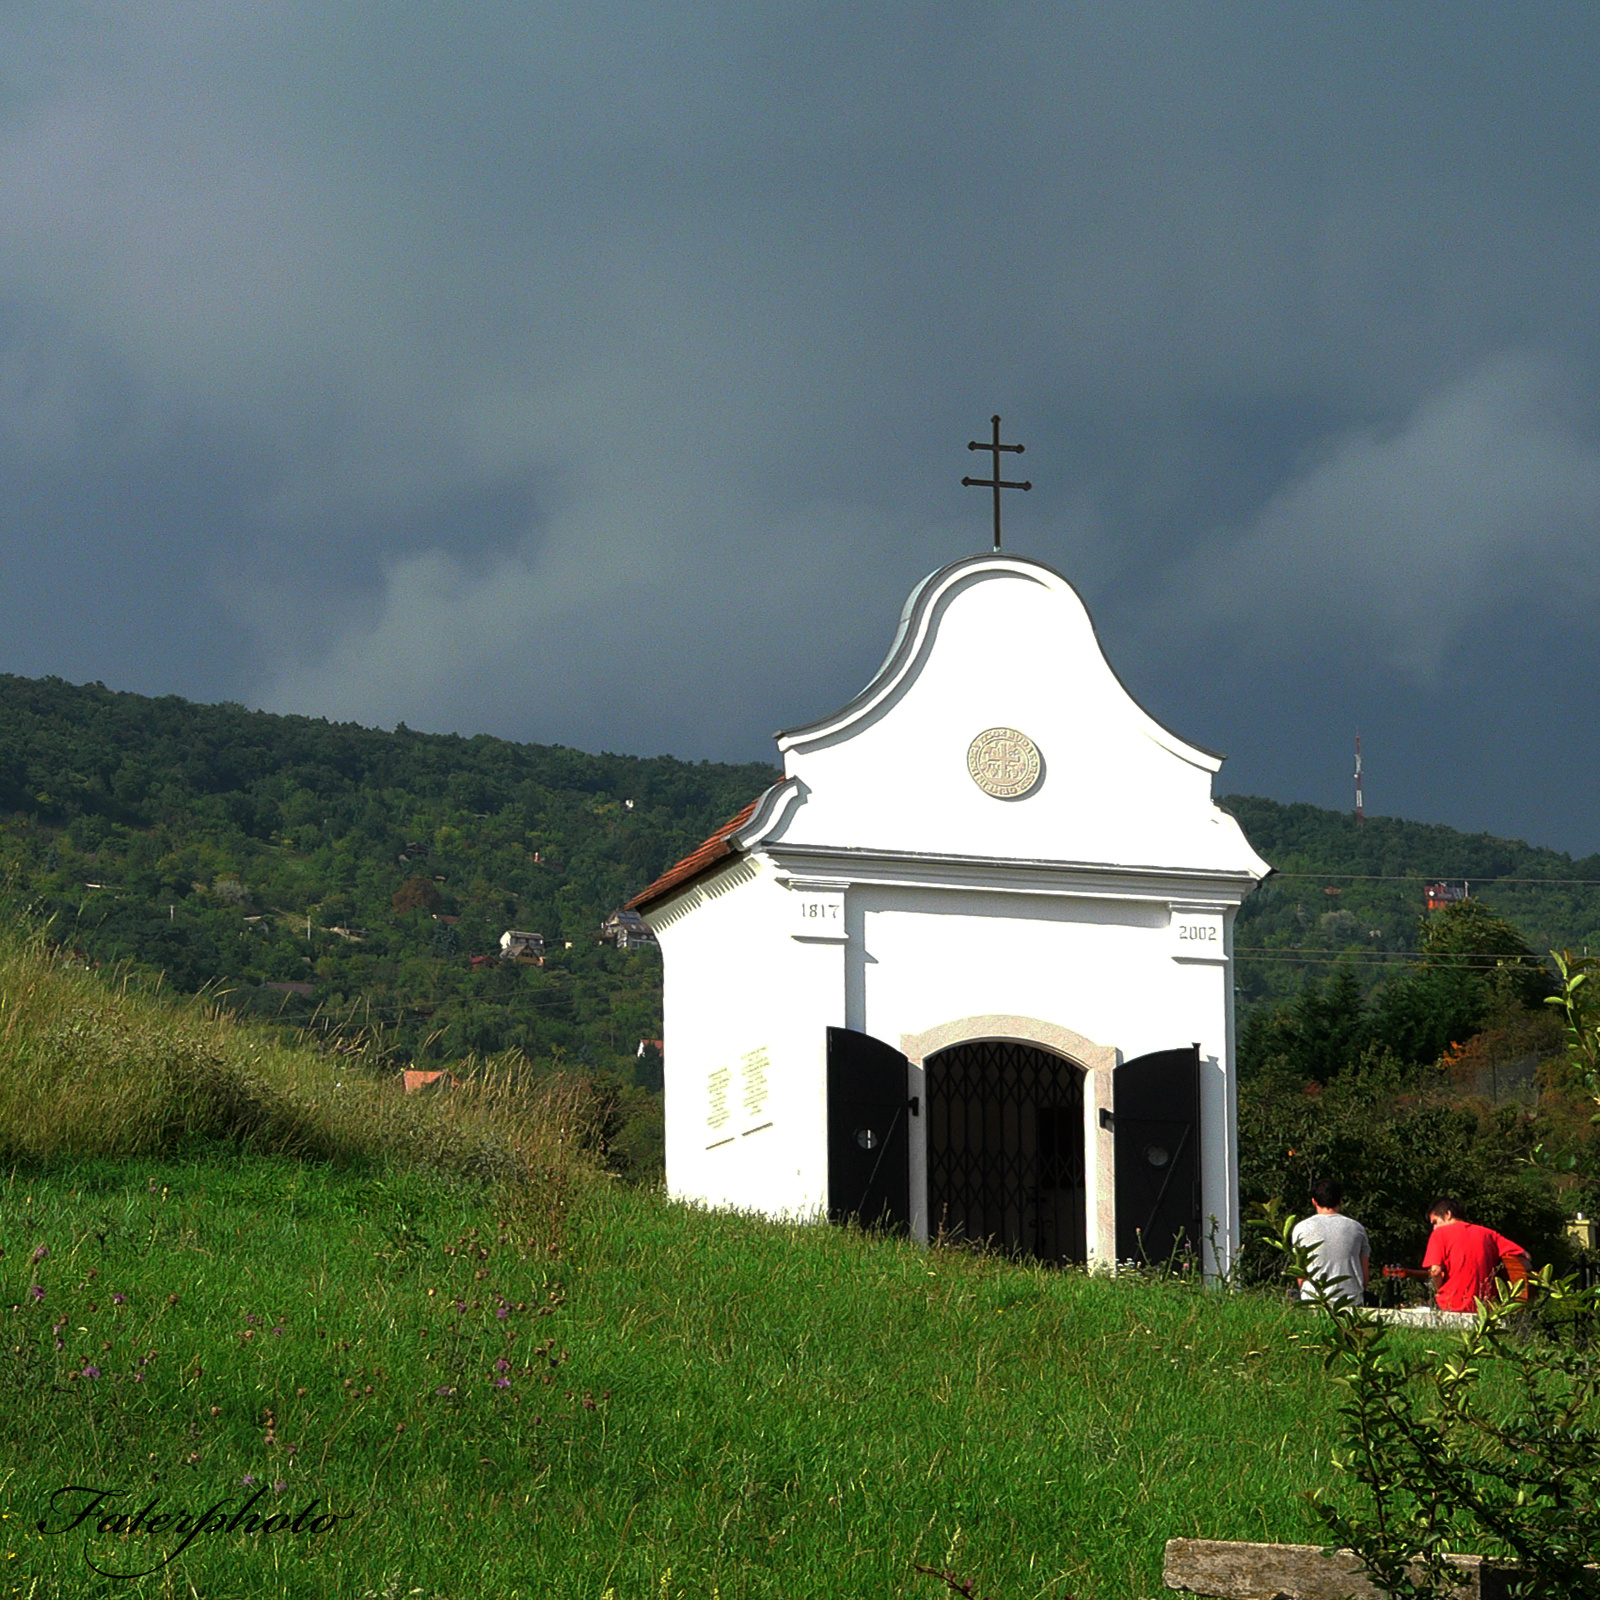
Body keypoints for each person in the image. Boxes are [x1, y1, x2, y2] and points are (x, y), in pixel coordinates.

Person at [1290, 1179, 1371, 1305]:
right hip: (1350, 1300)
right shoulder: (1357, 1229)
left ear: (1314, 1201)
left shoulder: (1301, 1228)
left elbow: (1301, 1272)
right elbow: (1364, 1276)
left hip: (1313, 1299)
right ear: (1340, 1201)